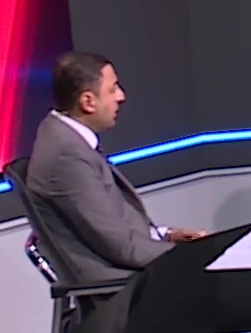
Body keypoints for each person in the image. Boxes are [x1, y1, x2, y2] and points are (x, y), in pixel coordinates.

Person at [23, 52, 205, 286]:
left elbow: (110, 224)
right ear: (88, 102)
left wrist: (166, 235)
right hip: (123, 288)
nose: (121, 96)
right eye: (112, 89)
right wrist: (192, 255)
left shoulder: (63, 136)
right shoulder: (67, 156)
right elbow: (122, 247)